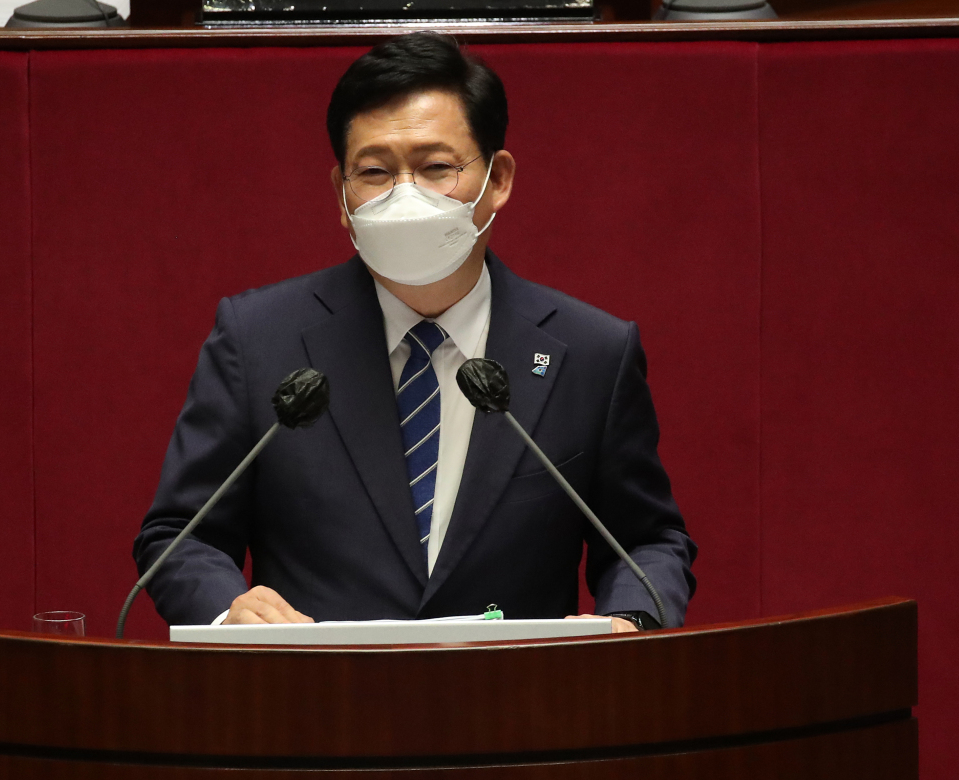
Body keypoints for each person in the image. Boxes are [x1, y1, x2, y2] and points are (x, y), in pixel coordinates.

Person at [133, 32, 696, 633]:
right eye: (374, 171)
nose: (405, 195)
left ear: (498, 179)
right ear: (341, 195)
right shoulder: (259, 340)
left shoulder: (590, 353)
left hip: (522, 708)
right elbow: (178, 535)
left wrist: (630, 620)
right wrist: (227, 609)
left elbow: (648, 540)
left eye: (435, 168)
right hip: (319, 705)